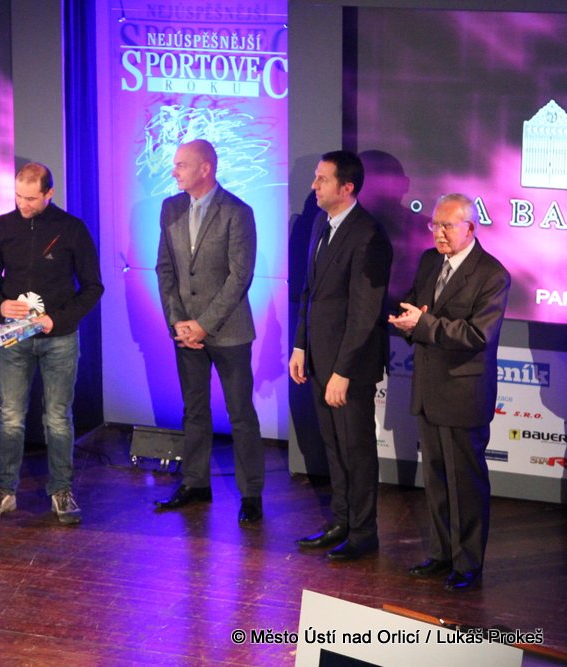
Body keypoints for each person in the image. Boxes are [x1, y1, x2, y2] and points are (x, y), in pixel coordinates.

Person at [388, 194, 509, 592]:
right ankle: (441, 555)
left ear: (469, 228)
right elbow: (417, 307)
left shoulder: (492, 274)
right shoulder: (429, 261)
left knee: (465, 486)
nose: (438, 233)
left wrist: (422, 325)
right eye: (434, 225)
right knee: (437, 482)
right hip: (428, 390)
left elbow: (477, 335)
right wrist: (405, 320)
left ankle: (468, 563)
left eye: (446, 226)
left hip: (463, 394)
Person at [0, 163, 103, 525]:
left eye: (31, 198)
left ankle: (61, 490)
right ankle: (4, 490)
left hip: (58, 338)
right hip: (15, 337)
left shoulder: (71, 229)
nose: (23, 204)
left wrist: (56, 319)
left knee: (58, 418)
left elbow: (93, 287)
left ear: (49, 194)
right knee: (11, 417)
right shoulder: (3, 226)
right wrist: (0, 304)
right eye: (18, 196)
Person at [153, 139, 265, 523]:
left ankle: (251, 494)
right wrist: (178, 322)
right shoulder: (170, 208)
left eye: (181, 165)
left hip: (229, 331)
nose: (174, 172)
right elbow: (165, 269)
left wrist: (204, 324)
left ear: (206, 168)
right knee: (194, 411)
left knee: (240, 415)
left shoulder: (237, 212)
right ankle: (195, 483)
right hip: (185, 332)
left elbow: (240, 277)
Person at [290, 150, 393, 560]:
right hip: (318, 359)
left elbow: (364, 313)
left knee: (356, 450)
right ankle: (341, 521)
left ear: (347, 187)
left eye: (322, 179)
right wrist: (301, 345)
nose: (313, 186)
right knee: (333, 447)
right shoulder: (321, 223)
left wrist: (343, 371)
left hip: (349, 368)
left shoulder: (369, 235)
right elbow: (310, 292)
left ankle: (364, 532)